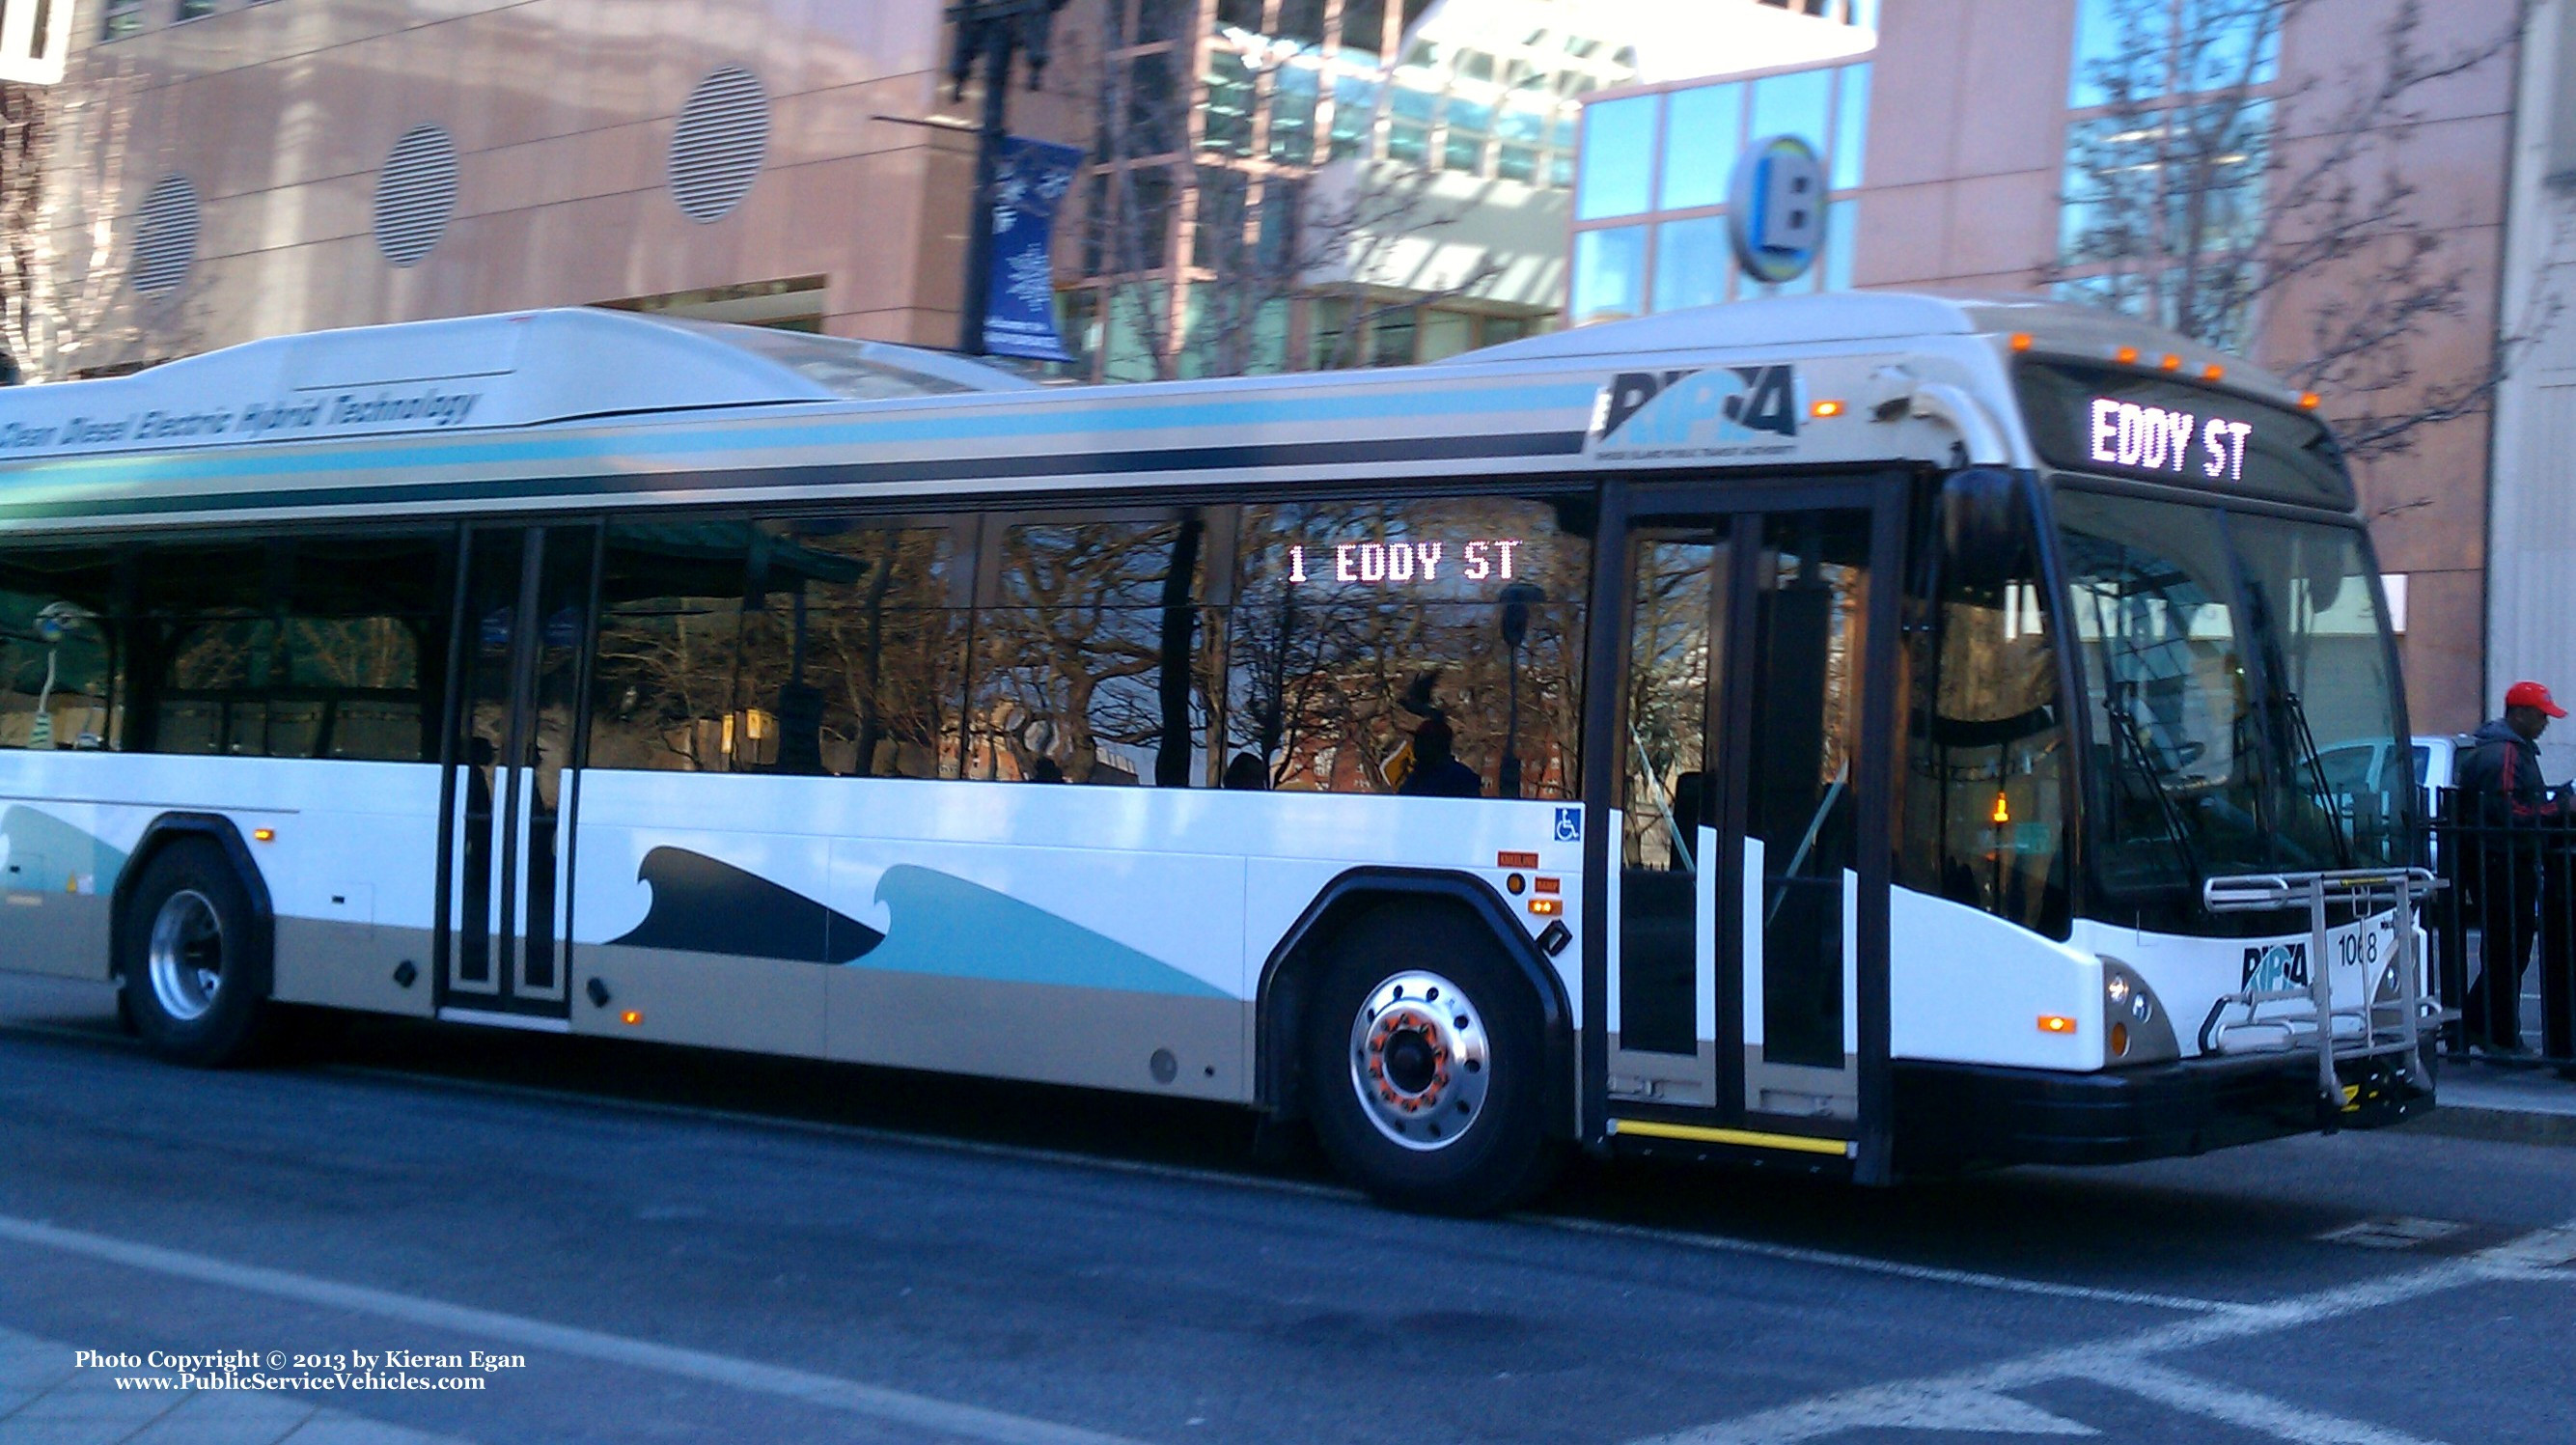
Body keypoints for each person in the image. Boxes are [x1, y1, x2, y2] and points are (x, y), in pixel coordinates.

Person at [2458, 681, 2567, 1055]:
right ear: (2519, 714)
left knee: (2509, 951)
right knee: (2508, 951)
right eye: (2541, 716)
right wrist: (2560, 809)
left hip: (2501, 863)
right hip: (2501, 865)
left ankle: (2479, 1025)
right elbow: (2510, 812)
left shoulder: (2508, 750)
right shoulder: (2504, 754)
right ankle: (2494, 1032)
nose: (2545, 724)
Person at [1398, 714, 1482, 798]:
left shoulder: (1462, 779)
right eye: (1417, 741)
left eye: (1423, 741)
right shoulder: (1413, 780)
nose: (1416, 745)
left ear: (1439, 745)